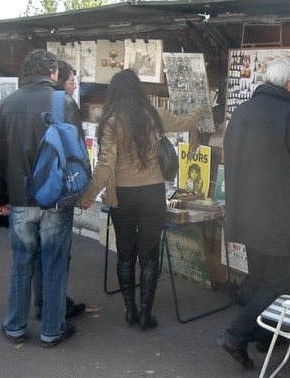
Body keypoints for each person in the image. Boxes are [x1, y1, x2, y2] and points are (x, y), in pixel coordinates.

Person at [218, 57, 290, 369]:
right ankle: (235, 334)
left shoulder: (242, 111)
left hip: (247, 210)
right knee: (278, 283)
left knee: (260, 277)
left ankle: (266, 336)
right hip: (280, 214)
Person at [82, 69, 203, 331]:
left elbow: (106, 163)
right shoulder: (154, 114)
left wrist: (88, 196)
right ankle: (147, 314)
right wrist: (201, 109)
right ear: (138, 90)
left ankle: (130, 310)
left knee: (125, 254)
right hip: (152, 193)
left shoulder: (112, 120)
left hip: (122, 196)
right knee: (149, 255)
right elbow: (183, 123)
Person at [0, 49, 86, 347]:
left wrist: (0, 199)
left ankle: (15, 325)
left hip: (19, 199)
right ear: (53, 72)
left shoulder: (4, 105)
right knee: (55, 263)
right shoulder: (64, 102)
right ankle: (52, 329)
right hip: (56, 197)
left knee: (22, 262)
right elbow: (77, 153)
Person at [32, 59, 86, 322]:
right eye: (73, 82)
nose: (74, 87)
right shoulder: (64, 103)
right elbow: (76, 148)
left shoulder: (17, 101)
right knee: (56, 252)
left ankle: (42, 304)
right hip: (58, 188)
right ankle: (54, 313)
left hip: (30, 188)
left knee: (37, 253)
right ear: (59, 79)